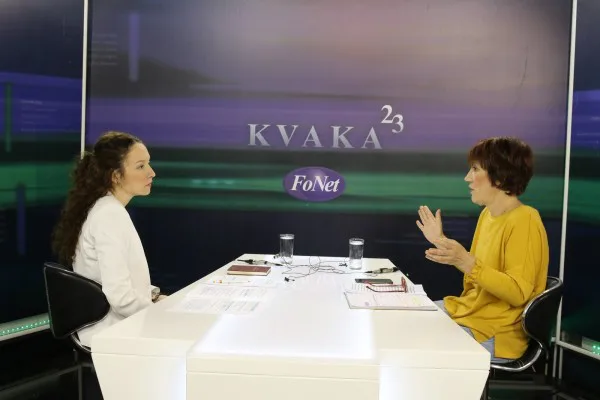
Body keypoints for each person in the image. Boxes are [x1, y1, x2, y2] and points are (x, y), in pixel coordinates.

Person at [416, 136, 549, 363]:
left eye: (475, 169)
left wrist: (466, 262)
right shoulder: (487, 215)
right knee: (406, 322)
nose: (468, 178)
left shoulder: (525, 220)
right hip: (470, 313)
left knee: (417, 343)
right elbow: (478, 273)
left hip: (497, 332)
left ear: (500, 176)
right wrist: (441, 241)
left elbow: (518, 293)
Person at [52, 131, 165, 348]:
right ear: (116, 176)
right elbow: (121, 299)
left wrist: (154, 297)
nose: (152, 173)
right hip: (114, 333)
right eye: (141, 166)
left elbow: (115, 284)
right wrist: (160, 312)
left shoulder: (104, 208)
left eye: (148, 164)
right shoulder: (109, 215)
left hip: (113, 327)